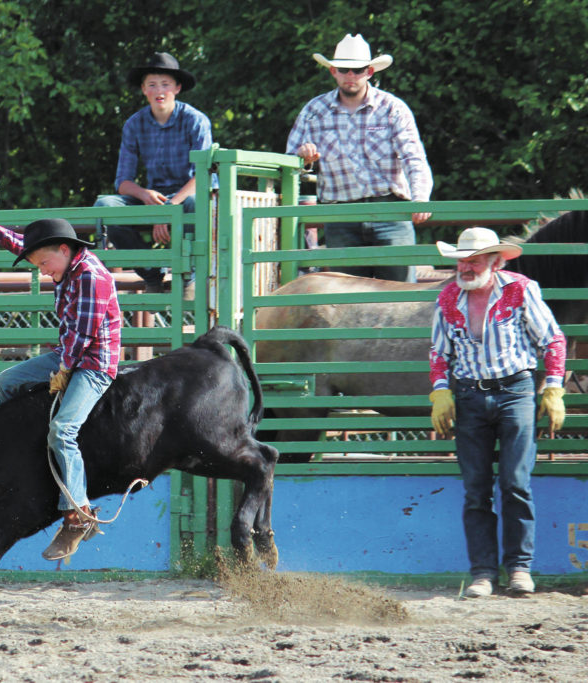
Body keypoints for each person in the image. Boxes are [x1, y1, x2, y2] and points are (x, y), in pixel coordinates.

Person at [0, 200, 121, 561]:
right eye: (37, 265)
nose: (41, 271)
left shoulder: (91, 277)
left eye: (43, 264)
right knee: (8, 381)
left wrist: (63, 371)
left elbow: (84, 335)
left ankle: (78, 514)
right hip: (69, 354)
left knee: (63, 430)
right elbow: (19, 242)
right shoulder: (64, 265)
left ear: (64, 249)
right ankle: (23, 454)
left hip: (94, 363)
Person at [428, 227, 566, 597]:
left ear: (495, 261)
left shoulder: (521, 289)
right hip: (471, 396)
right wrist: (441, 392)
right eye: (462, 260)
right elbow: (440, 353)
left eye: (473, 260)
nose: (465, 267)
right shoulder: (448, 298)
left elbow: (551, 339)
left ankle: (519, 568)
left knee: (515, 483)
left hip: (516, 392)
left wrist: (553, 386)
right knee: (476, 490)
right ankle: (483, 573)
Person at [286, 34, 433, 282]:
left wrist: (420, 198)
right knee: (346, 300)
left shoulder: (392, 107)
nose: (351, 75)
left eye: (358, 69)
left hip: (390, 211)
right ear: (333, 71)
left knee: (401, 296)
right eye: (345, 69)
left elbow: (413, 156)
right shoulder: (314, 110)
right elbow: (290, 159)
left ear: (370, 71)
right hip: (340, 215)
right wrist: (304, 158)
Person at [94, 52, 213, 296]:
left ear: (177, 88)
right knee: (105, 204)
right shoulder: (134, 124)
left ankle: (188, 275)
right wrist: (144, 194)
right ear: (143, 90)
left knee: (193, 202)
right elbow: (122, 182)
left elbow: (204, 175)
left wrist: (168, 209)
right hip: (154, 199)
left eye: (165, 84)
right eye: (152, 85)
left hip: (187, 198)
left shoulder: (195, 120)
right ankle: (152, 272)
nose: (159, 90)